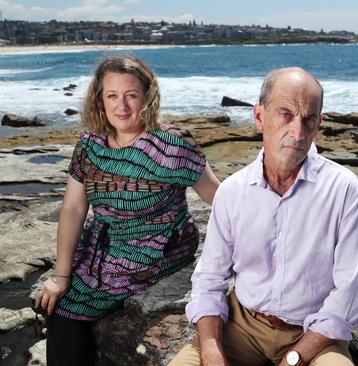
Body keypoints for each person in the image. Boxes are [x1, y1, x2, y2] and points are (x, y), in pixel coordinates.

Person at [169, 67, 358, 366]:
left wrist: (295, 358)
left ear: (318, 124)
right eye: (285, 114)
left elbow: (349, 294)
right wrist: (211, 351)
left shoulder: (344, 190)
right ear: (260, 117)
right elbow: (210, 281)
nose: (298, 132)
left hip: (313, 332)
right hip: (241, 325)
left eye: (308, 118)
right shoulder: (233, 191)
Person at [33, 55, 220, 365]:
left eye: (131, 95)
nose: (122, 106)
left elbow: (220, 197)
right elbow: (74, 209)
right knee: (57, 297)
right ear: (99, 99)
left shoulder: (171, 146)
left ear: (147, 97)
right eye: (112, 96)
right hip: (103, 241)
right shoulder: (90, 145)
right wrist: (61, 274)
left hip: (158, 247)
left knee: (70, 307)